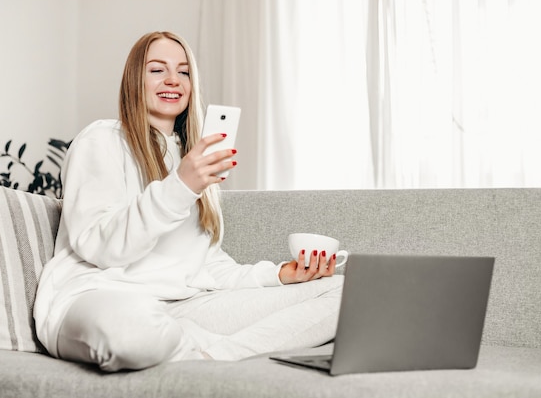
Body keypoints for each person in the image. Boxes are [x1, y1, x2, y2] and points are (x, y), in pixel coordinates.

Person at [33, 31, 343, 372]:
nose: (172, 80)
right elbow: (101, 247)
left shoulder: (192, 157)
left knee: (343, 290)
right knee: (134, 332)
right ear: (135, 78)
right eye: (157, 70)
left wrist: (281, 275)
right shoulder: (101, 139)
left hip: (184, 306)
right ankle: (192, 350)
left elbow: (206, 267)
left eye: (184, 72)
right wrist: (180, 186)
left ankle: (207, 359)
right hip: (98, 296)